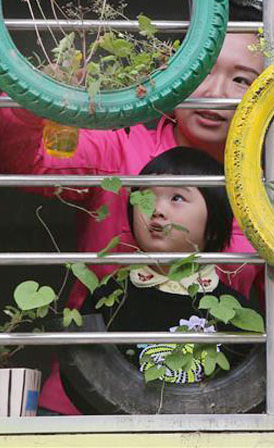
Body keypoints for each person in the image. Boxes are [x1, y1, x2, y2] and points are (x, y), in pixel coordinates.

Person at [0, 1, 274, 414]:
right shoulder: (121, 149)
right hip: (83, 405)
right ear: (175, 71)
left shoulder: (267, 196)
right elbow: (25, 160)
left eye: (240, 79)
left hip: (205, 411)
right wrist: (41, 94)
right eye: (201, 72)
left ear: (269, 92)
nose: (214, 94)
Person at [82, 147, 257, 384]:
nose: (157, 211)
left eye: (177, 198)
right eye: (146, 198)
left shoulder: (235, 312)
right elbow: (88, 375)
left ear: (214, 225)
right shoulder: (108, 297)